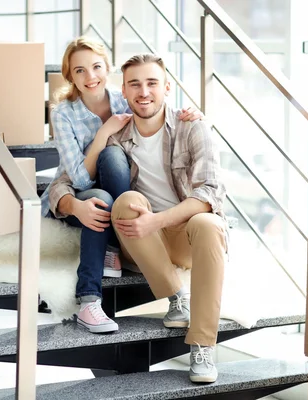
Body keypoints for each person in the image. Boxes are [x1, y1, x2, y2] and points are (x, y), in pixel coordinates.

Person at [41, 38, 202, 334]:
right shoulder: (63, 113)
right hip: (82, 192)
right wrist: (105, 131)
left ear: (107, 67)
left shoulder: (121, 97)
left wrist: (190, 115)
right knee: (103, 180)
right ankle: (89, 301)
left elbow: (153, 104)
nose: (90, 77)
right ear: (70, 76)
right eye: (79, 71)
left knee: (114, 159)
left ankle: (115, 242)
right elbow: (77, 179)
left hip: (118, 191)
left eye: (96, 67)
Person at [109, 54, 227, 383]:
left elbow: (210, 192)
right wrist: (71, 204)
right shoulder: (117, 136)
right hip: (146, 243)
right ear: (124, 91)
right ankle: (177, 297)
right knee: (127, 201)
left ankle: (203, 345)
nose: (143, 91)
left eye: (151, 83)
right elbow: (67, 179)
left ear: (167, 88)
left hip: (186, 236)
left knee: (209, 222)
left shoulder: (193, 126)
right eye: (135, 84)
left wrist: (158, 220)